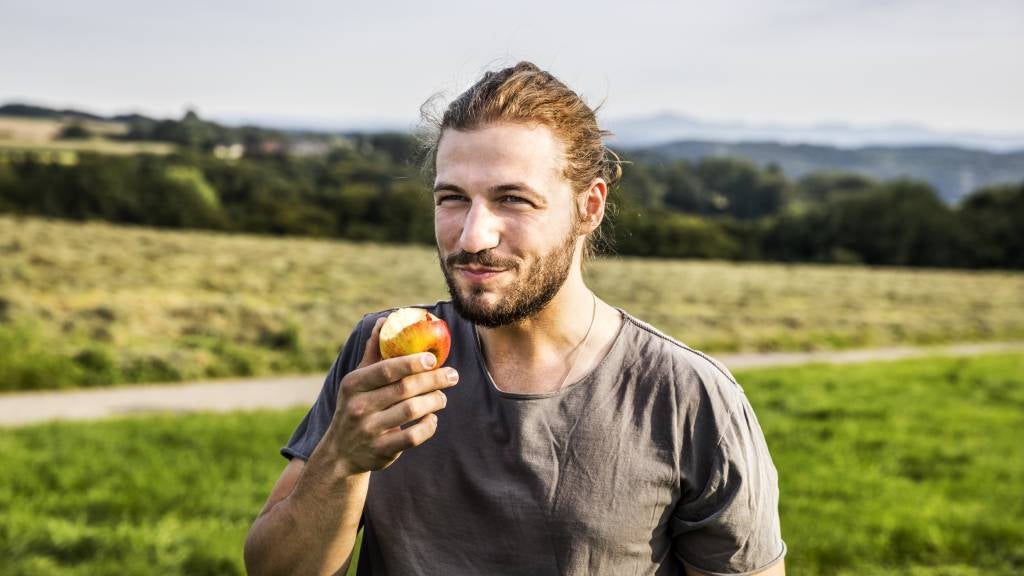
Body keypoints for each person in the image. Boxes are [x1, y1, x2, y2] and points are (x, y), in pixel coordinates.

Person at [244, 61, 786, 576]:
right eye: (452, 198)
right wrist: (341, 459)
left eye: (514, 199)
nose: (473, 236)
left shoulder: (689, 396)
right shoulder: (384, 353)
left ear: (589, 208)